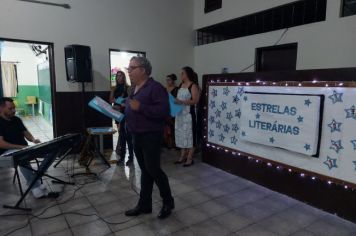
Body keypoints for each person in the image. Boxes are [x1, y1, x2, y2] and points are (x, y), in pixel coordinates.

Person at [124, 56, 174, 219]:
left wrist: (141, 107)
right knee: (145, 170)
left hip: (151, 136)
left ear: (143, 70)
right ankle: (145, 204)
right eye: (129, 68)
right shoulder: (135, 87)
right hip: (136, 135)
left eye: (132, 68)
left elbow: (164, 112)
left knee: (153, 169)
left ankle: (168, 202)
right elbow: (133, 108)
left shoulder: (156, 88)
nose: (129, 71)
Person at [0, 97, 58, 198]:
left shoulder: (16, 119)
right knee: (23, 157)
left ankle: (33, 181)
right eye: (10, 109)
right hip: (6, 154)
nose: (13, 110)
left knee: (52, 151)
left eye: (14, 108)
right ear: (1, 108)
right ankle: (35, 187)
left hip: (23, 148)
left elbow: (26, 133)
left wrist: (33, 140)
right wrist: (21, 147)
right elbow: (1, 144)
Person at [174, 66, 200, 167]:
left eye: (182, 73)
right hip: (180, 115)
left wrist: (181, 102)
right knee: (181, 135)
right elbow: (178, 98)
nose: (181, 75)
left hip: (189, 115)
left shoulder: (193, 86)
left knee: (190, 136)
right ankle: (182, 156)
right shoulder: (181, 85)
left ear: (187, 74)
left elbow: (195, 101)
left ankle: (189, 158)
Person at [109, 71, 134, 166]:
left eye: (121, 76)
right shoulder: (114, 88)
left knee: (128, 136)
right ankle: (122, 156)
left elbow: (131, 101)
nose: (119, 78)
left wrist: (123, 104)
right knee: (122, 135)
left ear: (124, 77)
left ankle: (131, 157)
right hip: (117, 112)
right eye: (117, 76)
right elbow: (111, 100)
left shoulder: (128, 88)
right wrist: (116, 102)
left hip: (126, 113)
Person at [163, 74, 179, 149]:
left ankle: (174, 143)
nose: (167, 81)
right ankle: (167, 143)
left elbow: (177, 100)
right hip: (165, 109)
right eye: (166, 80)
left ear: (173, 80)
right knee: (166, 127)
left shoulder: (176, 89)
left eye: (169, 80)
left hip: (173, 109)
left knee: (173, 127)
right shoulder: (165, 88)